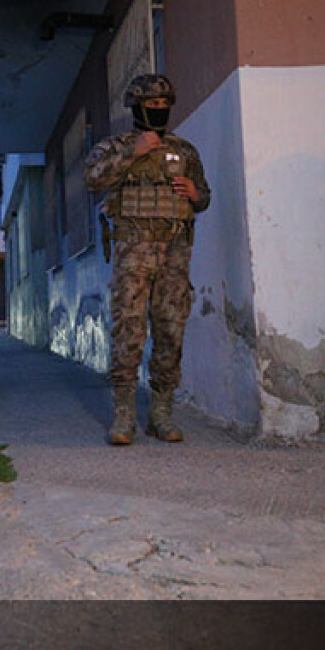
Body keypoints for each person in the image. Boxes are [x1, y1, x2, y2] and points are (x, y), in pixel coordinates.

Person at [85, 74, 210, 446]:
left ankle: (160, 412)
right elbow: (92, 180)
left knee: (171, 330)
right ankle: (124, 415)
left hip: (174, 252)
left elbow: (203, 195)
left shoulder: (185, 151)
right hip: (134, 253)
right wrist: (133, 153)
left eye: (163, 105)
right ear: (136, 107)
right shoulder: (115, 146)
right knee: (129, 330)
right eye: (150, 105)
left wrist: (195, 193)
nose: (157, 110)